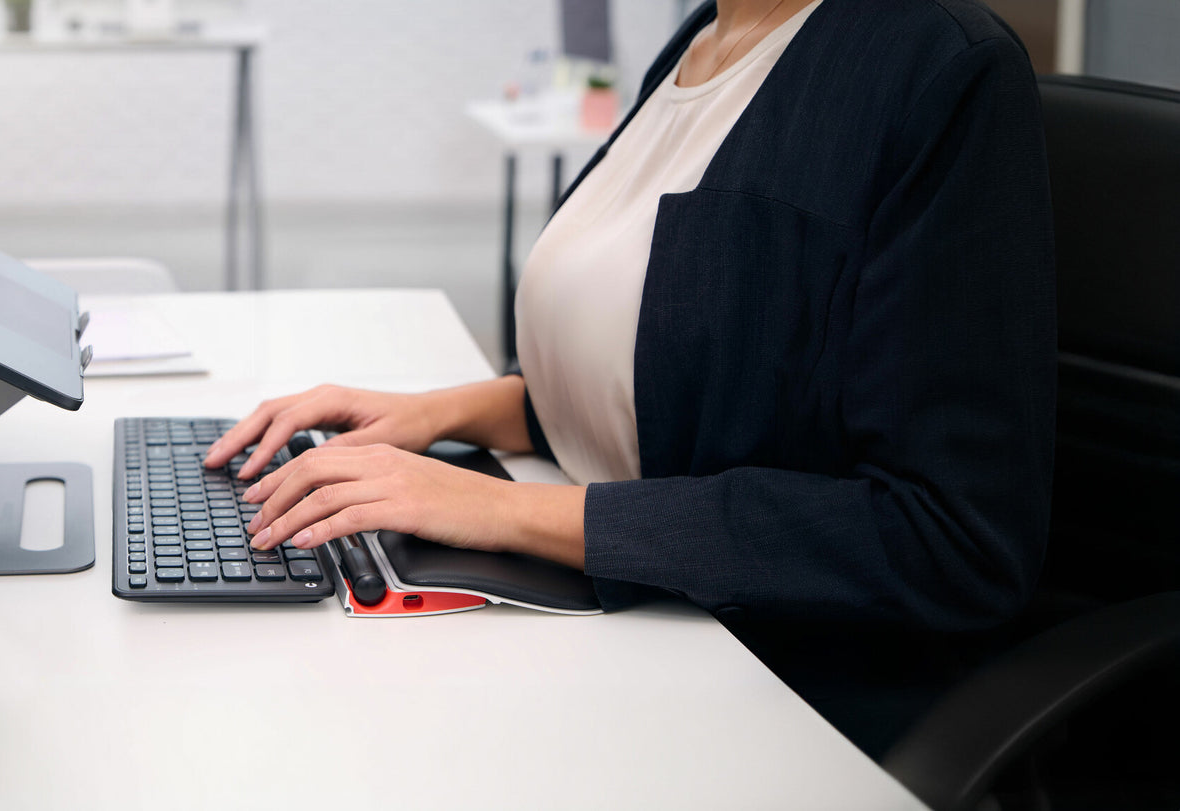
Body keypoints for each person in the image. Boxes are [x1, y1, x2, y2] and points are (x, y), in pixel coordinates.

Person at [206, 0, 1054, 644]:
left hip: (766, 660)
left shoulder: (935, 70)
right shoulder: (699, 43)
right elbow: (661, 382)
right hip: (618, 602)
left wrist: (495, 512)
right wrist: (438, 414)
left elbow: (948, 538)